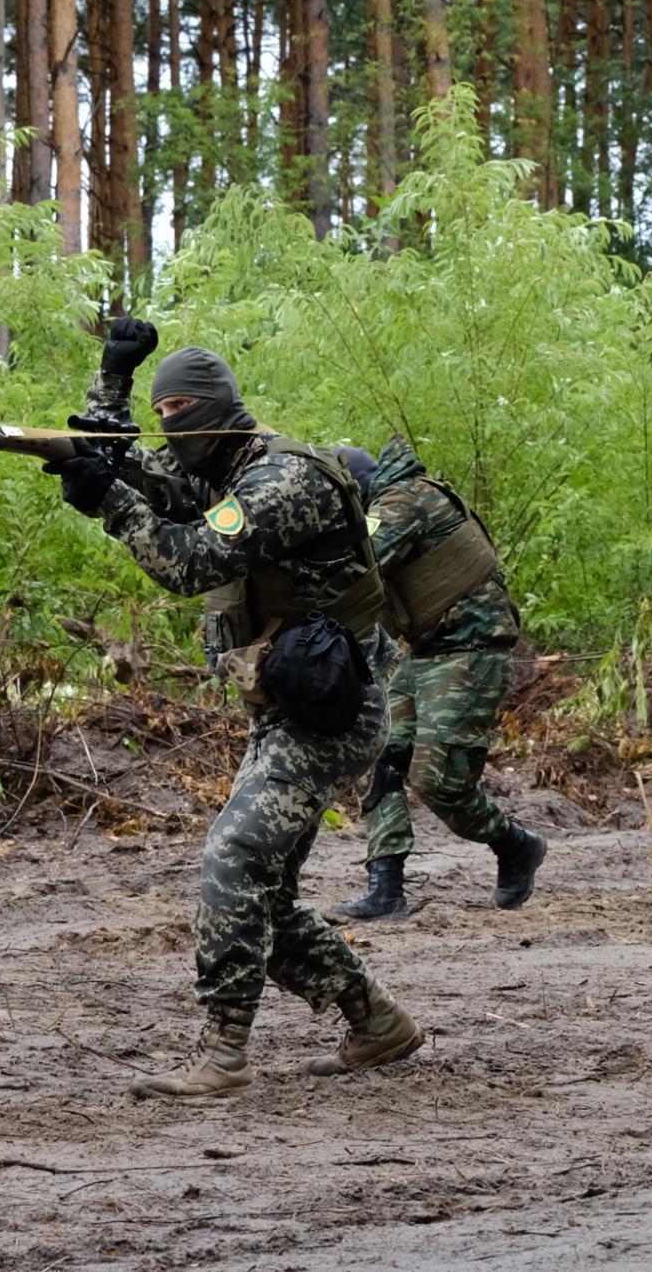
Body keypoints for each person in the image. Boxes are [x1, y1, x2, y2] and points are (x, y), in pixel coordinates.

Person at [46, 318, 425, 1097]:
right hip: (288, 707)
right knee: (266, 892)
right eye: (161, 412)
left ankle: (223, 1053)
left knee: (234, 858)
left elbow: (188, 560)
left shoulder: (281, 482)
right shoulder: (221, 466)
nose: (168, 426)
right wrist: (111, 383)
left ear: (215, 410)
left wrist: (108, 500)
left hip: (331, 715)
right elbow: (130, 464)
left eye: (179, 411)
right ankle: (376, 1022)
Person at [330, 437, 544, 921]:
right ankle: (385, 890)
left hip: (471, 650)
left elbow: (356, 569)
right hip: (428, 652)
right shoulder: (392, 499)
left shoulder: (405, 499)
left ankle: (515, 845)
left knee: (438, 781)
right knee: (381, 752)